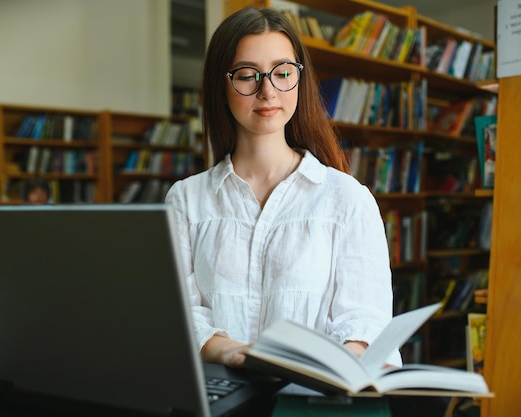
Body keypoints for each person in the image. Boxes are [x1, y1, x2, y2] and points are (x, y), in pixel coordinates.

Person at [165, 7, 401, 371]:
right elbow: (175, 310)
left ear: (299, 79)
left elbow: (366, 322)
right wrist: (226, 349)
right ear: (220, 85)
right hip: (217, 397)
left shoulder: (348, 200)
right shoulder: (186, 200)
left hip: (311, 398)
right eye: (247, 75)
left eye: (283, 73)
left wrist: (345, 357)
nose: (267, 91)